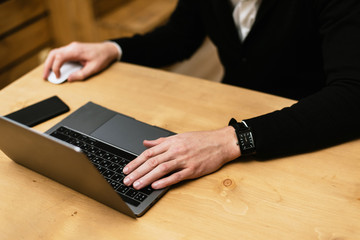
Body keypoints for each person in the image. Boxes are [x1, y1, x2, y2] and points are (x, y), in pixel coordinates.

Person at [43, 0, 360, 191]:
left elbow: (351, 96)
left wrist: (229, 141)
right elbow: (179, 37)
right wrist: (113, 49)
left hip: (312, 135)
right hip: (233, 121)